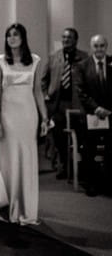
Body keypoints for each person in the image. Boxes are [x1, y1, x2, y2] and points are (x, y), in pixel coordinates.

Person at [0, 23, 48, 225]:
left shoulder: (35, 61)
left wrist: (44, 117)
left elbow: (38, 91)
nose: (12, 38)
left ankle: (27, 209)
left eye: (15, 35)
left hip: (28, 116)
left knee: (28, 159)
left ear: (23, 37)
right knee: (10, 160)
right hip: (8, 117)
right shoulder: (0, 62)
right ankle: (11, 207)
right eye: (9, 35)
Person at [41, 28, 88, 179]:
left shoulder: (84, 57)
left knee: (79, 136)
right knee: (59, 136)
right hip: (58, 104)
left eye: (69, 37)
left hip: (77, 104)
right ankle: (64, 166)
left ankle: (78, 166)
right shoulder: (54, 57)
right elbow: (43, 80)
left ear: (76, 40)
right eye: (64, 37)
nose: (66, 40)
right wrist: (46, 95)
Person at [75, 34, 112, 196]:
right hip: (90, 116)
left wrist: (109, 110)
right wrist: (97, 109)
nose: (99, 49)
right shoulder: (82, 66)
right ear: (91, 48)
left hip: (111, 116)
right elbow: (80, 91)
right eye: (96, 46)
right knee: (89, 151)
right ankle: (92, 183)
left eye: (102, 46)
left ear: (106, 47)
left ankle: (109, 183)